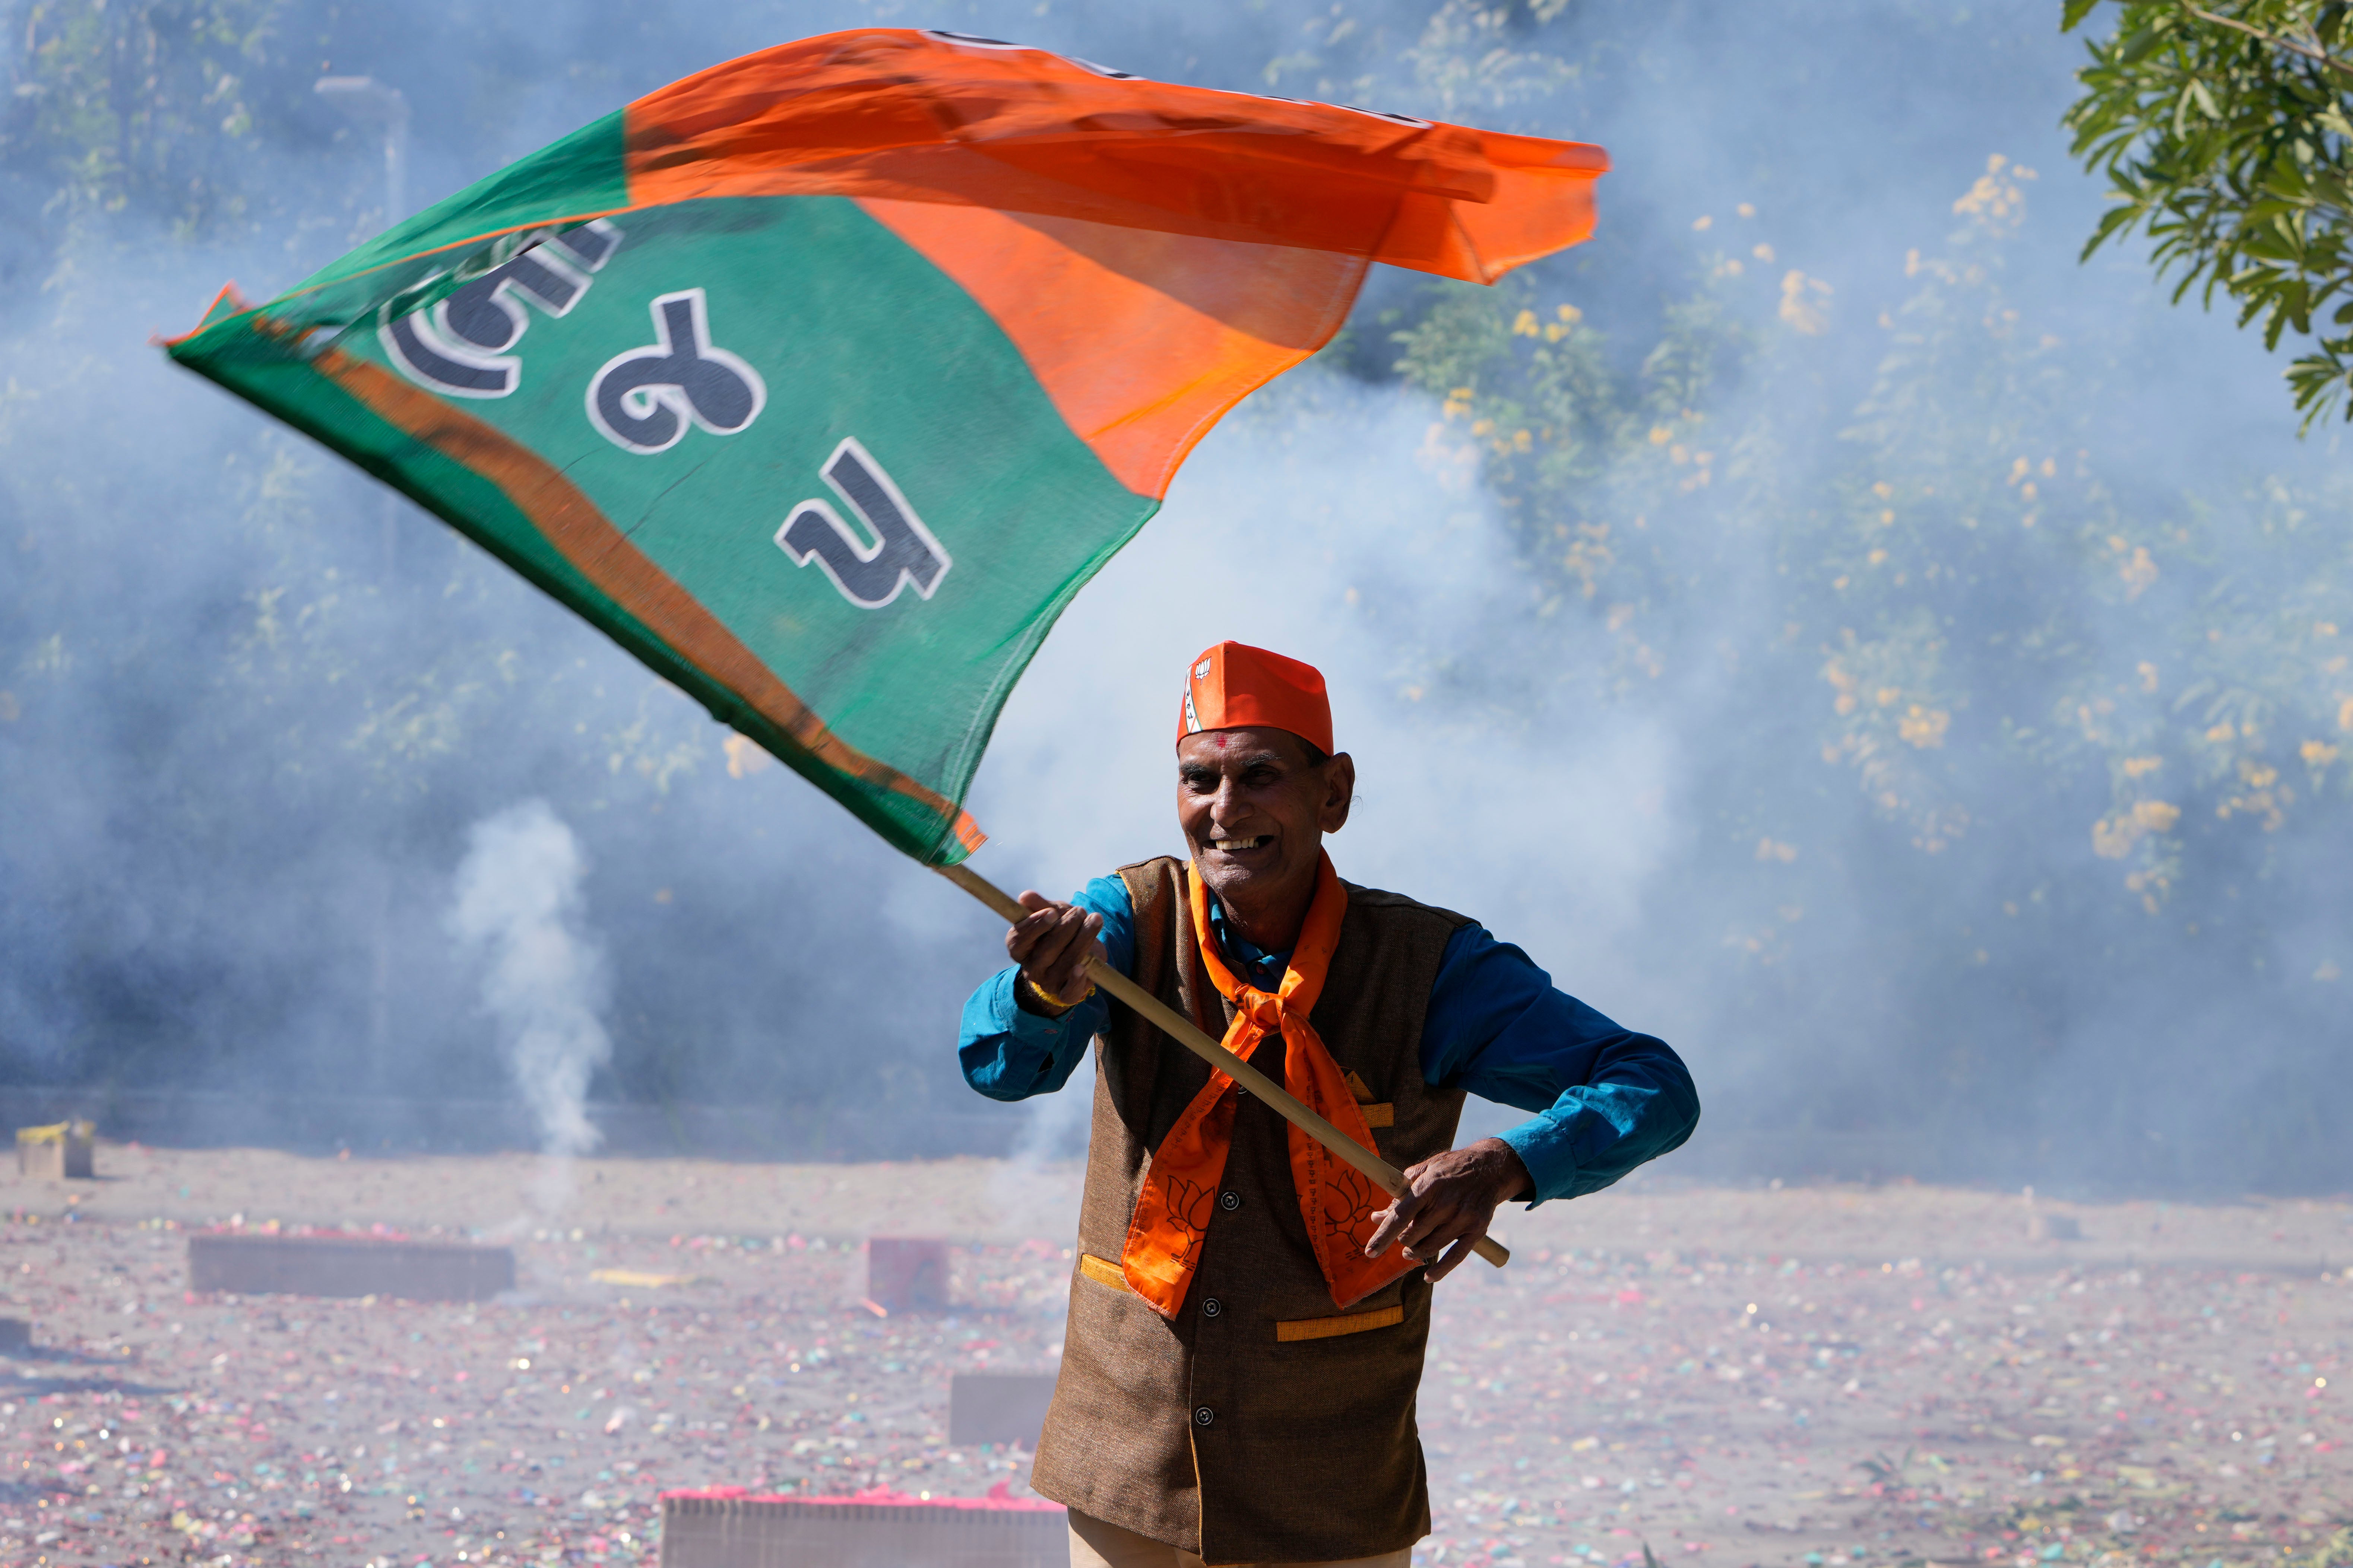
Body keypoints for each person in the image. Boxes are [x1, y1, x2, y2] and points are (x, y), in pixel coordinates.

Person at [958, 641, 1700, 1568]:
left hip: (1332, 1483)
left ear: (1334, 794)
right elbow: (995, 1063)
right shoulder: (1122, 923)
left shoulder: (1433, 968)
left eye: (1259, 776)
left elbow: (1653, 1083)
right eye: (1198, 780)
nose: (1224, 811)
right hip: (1126, 1470)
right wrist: (1039, 996)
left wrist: (1507, 1163)